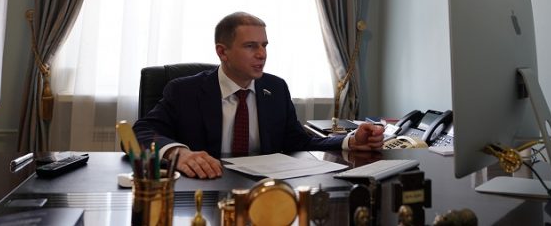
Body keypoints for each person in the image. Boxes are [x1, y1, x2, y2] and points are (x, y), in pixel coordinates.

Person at [133, 11, 385, 178]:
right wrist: (178, 153)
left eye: (264, 45)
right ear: (222, 52)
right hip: (204, 188)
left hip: (264, 193)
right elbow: (140, 132)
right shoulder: (184, 90)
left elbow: (298, 142)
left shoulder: (275, 88)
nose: (262, 54)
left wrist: (351, 141)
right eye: (250, 46)